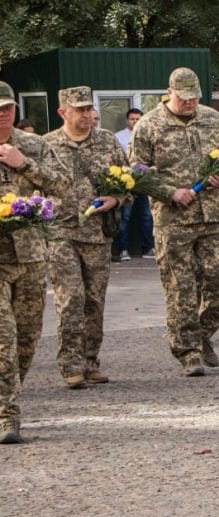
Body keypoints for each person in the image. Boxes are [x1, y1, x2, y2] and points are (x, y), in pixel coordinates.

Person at [129, 67, 219, 376]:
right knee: (181, 290)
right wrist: (169, 192)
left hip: (213, 215)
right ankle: (188, 352)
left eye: (194, 97)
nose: (190, 103)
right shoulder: (149, 126)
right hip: (173, 220)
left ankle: (201, 335)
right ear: (169, 92)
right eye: (184, 97)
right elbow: (135, 173)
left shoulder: (213, 119)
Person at [0, 81, 71, 444]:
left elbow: (64, 184)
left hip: (29, 257)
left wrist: (24, 164)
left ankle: (8, 399)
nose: (3, 113)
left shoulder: (33, 145)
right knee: (3, 339)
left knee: (26, 340)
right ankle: (6, 416)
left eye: (8, 107)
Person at [43, 86, 127, 389]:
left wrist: (116, 199)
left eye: (89, 109)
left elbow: (127, 179)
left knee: (94, 299)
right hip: (59, 233)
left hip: (97, 234)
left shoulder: (107, 141)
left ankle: (91, 360)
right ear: (63, 112)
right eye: (79, 110)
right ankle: (70, 364)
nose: (87, 115)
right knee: (70, 299)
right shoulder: (46, 145)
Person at [113, 108, 154, 262]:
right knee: (125, 217)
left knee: (146, 216)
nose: (135, 122)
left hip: (144, 183)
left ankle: (148, 248)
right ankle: (123, 249)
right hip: (126, 184)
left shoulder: (148, 135)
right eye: (132, 119)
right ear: (127, 120)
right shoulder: (118, 137)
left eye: (138, 119)